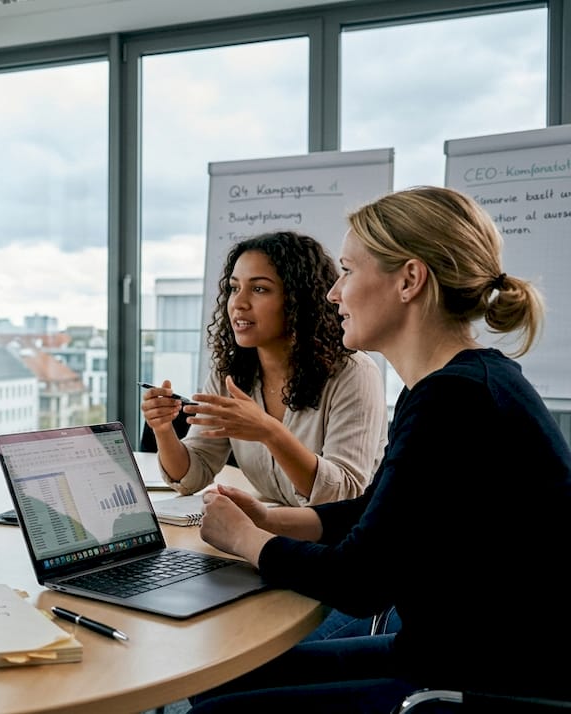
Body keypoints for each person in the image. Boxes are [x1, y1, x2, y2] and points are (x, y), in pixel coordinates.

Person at [189, 185, 571, 713]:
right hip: (447, 653)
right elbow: (382, 513)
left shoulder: (455, 399)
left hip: (482, 682)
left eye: (347, 271)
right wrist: (276, 521)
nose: (332, 293)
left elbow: (360, 581)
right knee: (222, 678)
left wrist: (248, 540)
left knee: (217, 709)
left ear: (409, 280)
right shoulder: (456, 384)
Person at [141, 231, 386, 508]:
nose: (239, 303)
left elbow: (343, 494)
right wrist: (162, 430)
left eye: (259, 289)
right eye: (234, 288)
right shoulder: (230, 373)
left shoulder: (354, 374)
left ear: (298, 300)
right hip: (275, 531)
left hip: (343, 540)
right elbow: (192, 475)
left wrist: (270, 432)